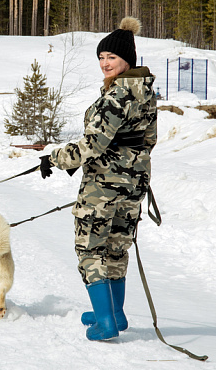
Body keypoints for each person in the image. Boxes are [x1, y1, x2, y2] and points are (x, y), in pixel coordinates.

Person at [40, 17, 157, 341]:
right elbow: (146, 140)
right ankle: (115, 314)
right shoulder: (145, 91)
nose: (105, 63)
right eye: (102, 58)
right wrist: (125, 161)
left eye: (112, 58)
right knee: (117, 247)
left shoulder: (115, 97)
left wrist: (54, 158)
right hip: (133, 184)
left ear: (127, 61)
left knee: (91, 250)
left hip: (102, 188)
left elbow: (93, 144)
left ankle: (105, 323)